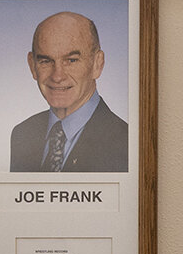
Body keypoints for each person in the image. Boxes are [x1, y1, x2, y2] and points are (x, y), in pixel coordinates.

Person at [8, 11, 129, 173]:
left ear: (97, 64)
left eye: (71, 60)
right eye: (45, 61)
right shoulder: (22, 134)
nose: (57, 76)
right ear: (32, 66)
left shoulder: (126, 142)